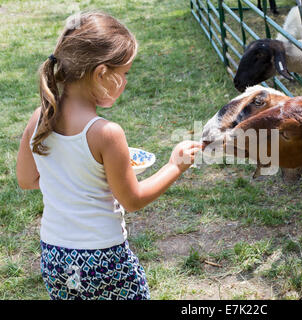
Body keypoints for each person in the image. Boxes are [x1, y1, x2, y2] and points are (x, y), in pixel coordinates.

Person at [15, 11, 202, 300]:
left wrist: (72, 180)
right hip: (103, 260)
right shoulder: (106, 133)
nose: (126, 81)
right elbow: (132, 199)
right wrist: (175, 165)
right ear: (102, 73)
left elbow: (27, 179)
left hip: (54, 257)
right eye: (124, 73)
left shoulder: (39, 118)